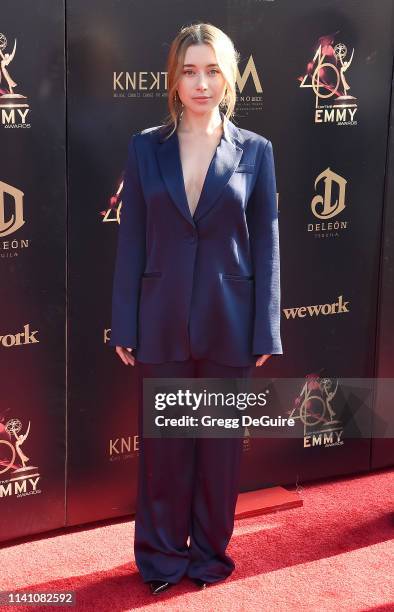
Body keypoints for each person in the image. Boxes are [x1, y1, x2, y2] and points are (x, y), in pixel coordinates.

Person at [109, 22, 283, 595]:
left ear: (229, 76)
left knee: (218, 456)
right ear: (174, 79)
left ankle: (210, 557)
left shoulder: (256, 151)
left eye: (212, 70)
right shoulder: (144, 146)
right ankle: (160, 561)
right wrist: (125, 320)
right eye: (190, 70)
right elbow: (132, 236)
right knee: (164, 453)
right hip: (159, 322)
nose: (201, 82)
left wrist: (265, 329)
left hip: (228, 324)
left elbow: (268, 241)